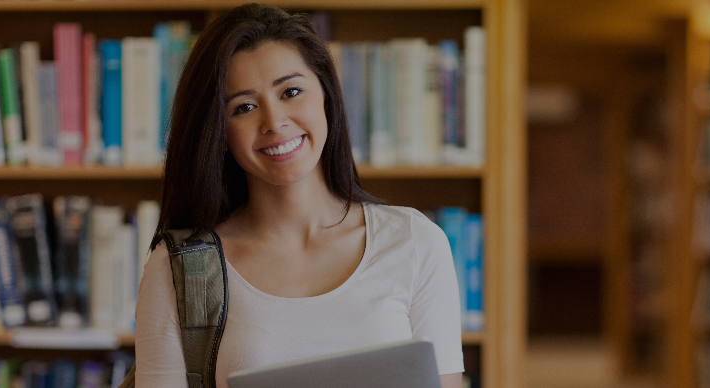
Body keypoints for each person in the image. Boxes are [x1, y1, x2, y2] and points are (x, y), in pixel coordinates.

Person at [133, 3, 464, 388]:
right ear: (218, 133)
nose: (274, 122)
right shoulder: (178, 270)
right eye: (245, 107)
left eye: (291, 91)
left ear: (326, 95)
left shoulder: (414, 242)